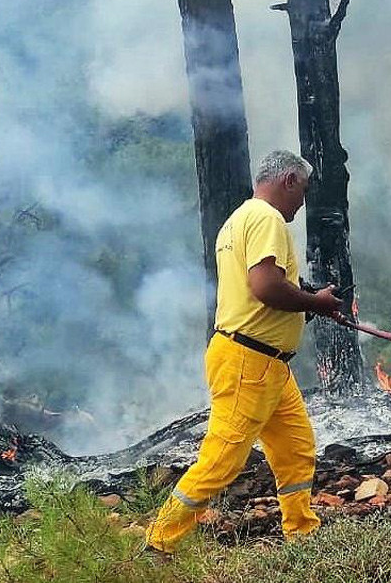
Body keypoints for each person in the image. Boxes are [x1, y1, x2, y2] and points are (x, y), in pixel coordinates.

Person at [147, 150, 342, 553]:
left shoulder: (238, 220)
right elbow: (266, 288)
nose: (302, 201)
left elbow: (256, 295)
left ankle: (302, 535)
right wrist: (316, 303)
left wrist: (308, 301)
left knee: (295, 448)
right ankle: (160, 542)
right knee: (222, 459)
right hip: (249, 361)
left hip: (267, 364)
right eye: (302, 190)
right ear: (288, 180)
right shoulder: (267, 218)